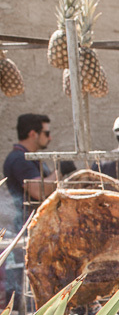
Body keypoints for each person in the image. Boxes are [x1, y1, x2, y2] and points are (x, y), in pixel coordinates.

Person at [3, 113, 55, 300]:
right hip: (28, 229)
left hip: (38, 228)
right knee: (32, 284)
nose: (50, 138)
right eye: (46, 133)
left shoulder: (30, 158)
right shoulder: (19, 159)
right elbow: (38, 190)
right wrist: (59, 172)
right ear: (33, 134)